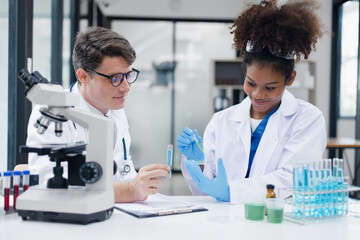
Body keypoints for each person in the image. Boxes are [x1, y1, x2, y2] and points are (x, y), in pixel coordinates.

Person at [177, 0, 326, 203]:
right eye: (251, 83)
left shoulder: (307, 119)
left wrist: (232, 191)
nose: (257, 94)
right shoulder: (222, 120)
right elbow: (206, 191)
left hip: (275, 223)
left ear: (290, 79)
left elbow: (292, 180)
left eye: (270, 87)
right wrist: (198, 162)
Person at [26, 26, 169, 202]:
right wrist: (130, 190)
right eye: (115, 78)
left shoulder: (115, 111)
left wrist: (141, 182)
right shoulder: (52, 113)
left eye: (128, 76)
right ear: (83, 76)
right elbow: (48, 186)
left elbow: (122, 172)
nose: (126, 87)